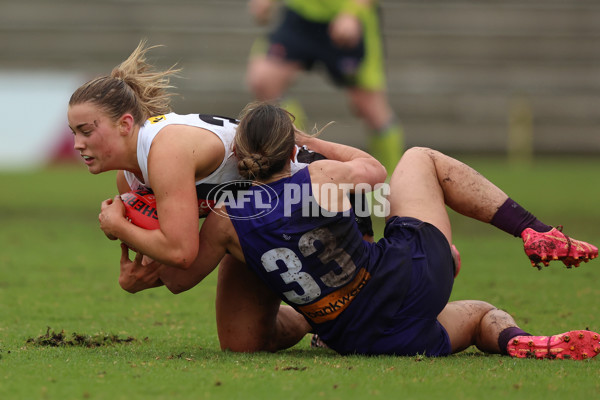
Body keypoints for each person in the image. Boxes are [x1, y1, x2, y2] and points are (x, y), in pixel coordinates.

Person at [108, 101, 599, 359]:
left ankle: (308, 321)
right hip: (412, 277)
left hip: (352, 330)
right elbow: (374, 170)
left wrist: (123, 230)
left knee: (470, 320)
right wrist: (310, 142)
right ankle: (532, 243)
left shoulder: (225, 219)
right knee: (419, 158)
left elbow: (177, 278)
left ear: (239, 157)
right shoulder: (318, 175)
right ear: (290, 148)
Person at [67, 40, 375, 351]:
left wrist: (118, 227)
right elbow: (169, 267)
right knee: (242, 342)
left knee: (361, 327)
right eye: (73, 133)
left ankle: (348, 310)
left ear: (125, 124)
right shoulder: (130, 181)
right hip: (261, 220)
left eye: (86, 131)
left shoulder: (166, 152)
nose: (78, 143)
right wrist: (142, 275)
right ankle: (314, 320)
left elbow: (181, 254)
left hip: (327, 205)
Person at [246, 0, 403, 173]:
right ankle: (298, 152)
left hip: (347, 18)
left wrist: (353, 11)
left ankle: (391, 180)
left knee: (370, 108)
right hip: (301, 15)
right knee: (263, 80)